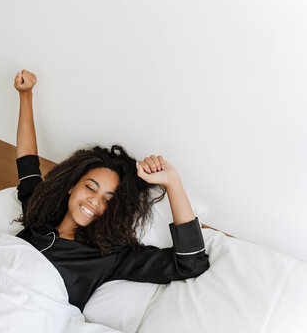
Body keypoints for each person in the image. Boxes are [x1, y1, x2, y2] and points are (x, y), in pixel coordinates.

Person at [13, 69, 210, 312]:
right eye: (89, 188)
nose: (95, 202)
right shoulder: (39, 215)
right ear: (72, 186)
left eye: (108, 199)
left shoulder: (108, 256)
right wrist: (26, 95)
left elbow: (191, 263)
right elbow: (28, 163)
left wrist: (172, 182)